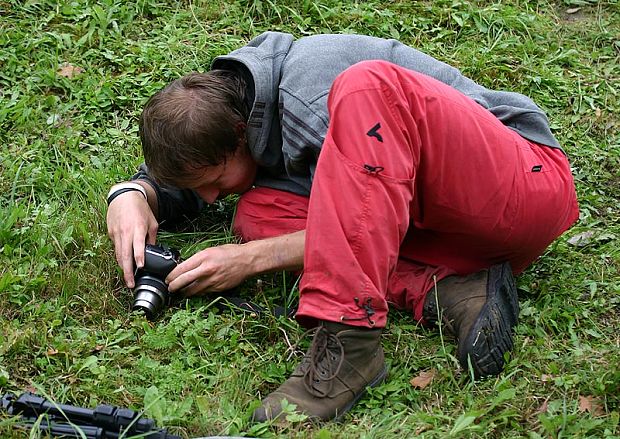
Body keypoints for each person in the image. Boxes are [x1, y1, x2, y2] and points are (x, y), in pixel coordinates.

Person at [106, 31, 579, 422]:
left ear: (239, 134)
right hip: (448, 226)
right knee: (258, 213)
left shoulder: (313, 95)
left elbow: (362, 207)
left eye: (212, 183)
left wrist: (254, 258)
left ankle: (351, 345)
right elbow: (208, 163)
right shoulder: (241, 103)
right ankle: (453, 290)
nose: (210, 197)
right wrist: (134, 193)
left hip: (522, 184)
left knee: (365, 86)